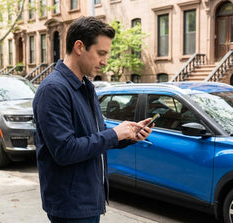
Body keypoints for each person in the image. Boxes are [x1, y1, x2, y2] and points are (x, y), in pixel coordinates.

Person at [32, 16, 153, 223]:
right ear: (79, 47)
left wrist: (128, 136)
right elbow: (64, 150)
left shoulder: (86, 87)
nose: (105, 61)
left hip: (88, 198)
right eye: (101, 53)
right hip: (70, 205)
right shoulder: (53, 90)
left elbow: (96, 137)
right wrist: (114, 134)